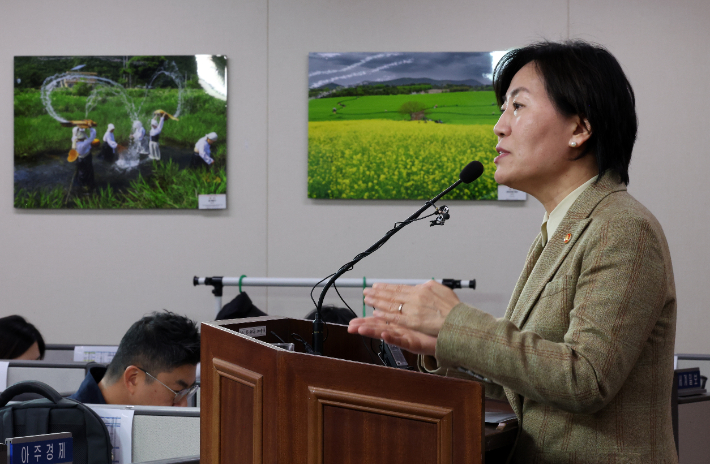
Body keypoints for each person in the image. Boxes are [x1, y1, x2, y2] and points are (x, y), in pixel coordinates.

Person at [348, 40, 677, 462]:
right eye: (502, 110)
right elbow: (530, 381)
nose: (499, 127)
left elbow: (585, 378)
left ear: (579, 129)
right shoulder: (561, 230)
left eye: (517, 107)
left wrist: (457, 323)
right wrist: (441, 347)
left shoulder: (621, 228)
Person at [70, 311, 200, 407]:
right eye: (177, 393)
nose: (183, 406)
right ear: (133, 379)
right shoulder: (63, 431)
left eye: (187, 393)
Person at [75, 126, 97, 191]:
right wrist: (90, 127)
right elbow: (93, 136)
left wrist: (78, 128)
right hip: (86, 158)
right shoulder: (85, 143)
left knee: (81, 171)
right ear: (84, 137)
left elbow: (74, 134)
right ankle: (87, 184)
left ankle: (81, 184)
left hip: (79, 159)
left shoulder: (74, 141)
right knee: (88, 170)